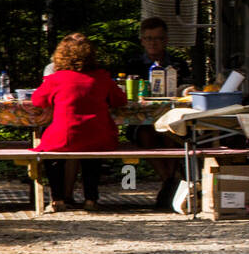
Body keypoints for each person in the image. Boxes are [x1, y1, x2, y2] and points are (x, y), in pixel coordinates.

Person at [31, 33, 126, 213]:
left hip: (65, 136)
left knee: (52, 154)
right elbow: (120, 100)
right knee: (92, 151)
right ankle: (91, 199)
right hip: (99, 136)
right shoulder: (102, 77)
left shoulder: (56, 79)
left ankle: (57, 199)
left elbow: (37, 100)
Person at [119, 17, 193, 209]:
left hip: (171, 120)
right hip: (140, 123)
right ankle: (170, 182)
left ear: (166, 40)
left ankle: (169, 185)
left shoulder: (177, 63)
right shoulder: (133, 63)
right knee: (146, 134)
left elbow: (186, 86)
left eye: (158, 38)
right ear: (142, 40)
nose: (154, 43)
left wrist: (186, 89)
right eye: (149, 38)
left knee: (172, 134)